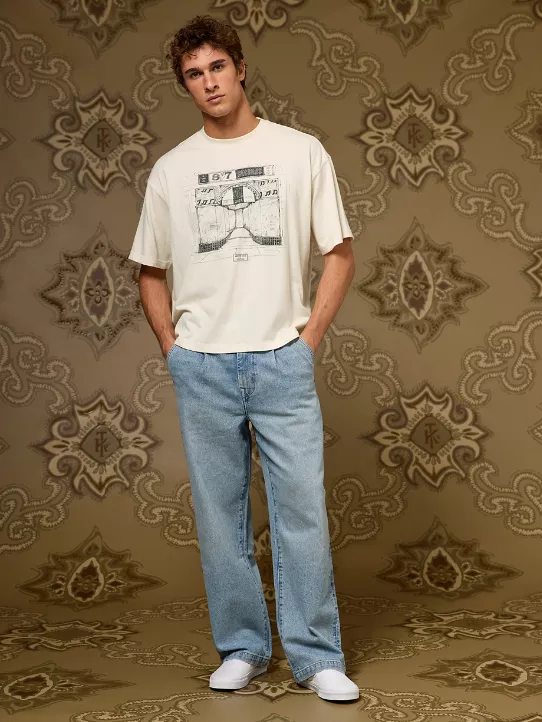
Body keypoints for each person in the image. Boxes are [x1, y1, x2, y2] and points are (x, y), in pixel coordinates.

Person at [128, 14, 359, 703]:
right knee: (219, 518)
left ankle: (317, 656)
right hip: (203, 366)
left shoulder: (300, 152)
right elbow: (149, 270)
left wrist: (307, 341)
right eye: (193, 74)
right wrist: (173, 350)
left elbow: (339, 254)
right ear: (185, 86)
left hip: (281, 358)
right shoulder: (172, 170)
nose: (208, 82)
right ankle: (243, 648)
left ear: (240, 68)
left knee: (302, 514)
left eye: (217, 67)